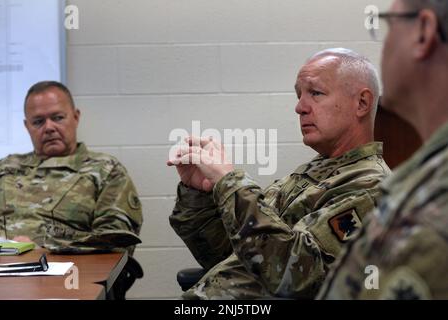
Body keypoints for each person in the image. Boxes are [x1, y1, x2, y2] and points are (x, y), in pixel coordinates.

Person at [167, 48, 391, 299]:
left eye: (315, 93)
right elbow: (228, 254)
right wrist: (199, 193)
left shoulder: (369, 187)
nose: (299, 107)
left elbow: (295, 277)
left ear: (361, 103)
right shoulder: (313, 173)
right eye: (299, 95)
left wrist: (230, 183)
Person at [318, 0, 448, 300]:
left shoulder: (435, 199)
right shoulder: (426, 176)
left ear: (423, 32)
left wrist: (229, 184)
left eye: (388, 25)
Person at [0, 81, 143, 254]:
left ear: (75, 117)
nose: (49, 127)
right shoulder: (5, 168)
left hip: (67, 274)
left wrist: (42, 249)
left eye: (58, 118)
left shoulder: (105, 170)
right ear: (27, 126)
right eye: (38, 121)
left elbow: (116, 242)